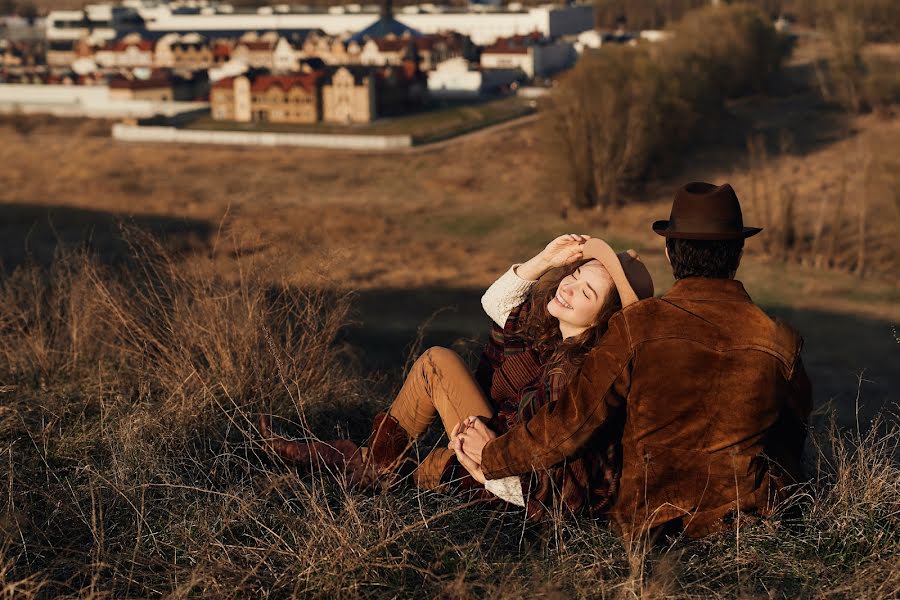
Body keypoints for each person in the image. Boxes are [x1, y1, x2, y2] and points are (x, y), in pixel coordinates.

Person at [452, 182, 813, 540]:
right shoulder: (781, 340)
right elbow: (791, 441)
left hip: (653, 523)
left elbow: (570, 423)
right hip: (740, 524)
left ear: (670, 254)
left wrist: (493, 458)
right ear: (738, 255)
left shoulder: (638, 324)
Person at [260, 234, 654, 516]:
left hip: (509, 478)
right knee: (423, 448)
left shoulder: (578, 374)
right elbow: (497, 304)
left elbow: (563, 481)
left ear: (605, 321)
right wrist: (545, 262)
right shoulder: (552, 332)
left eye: (586, 293)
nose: (569, 288)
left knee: (435, 382)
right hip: (494, 446)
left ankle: (361, 466)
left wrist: (486, 465)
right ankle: (364, 465)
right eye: (575, 274)